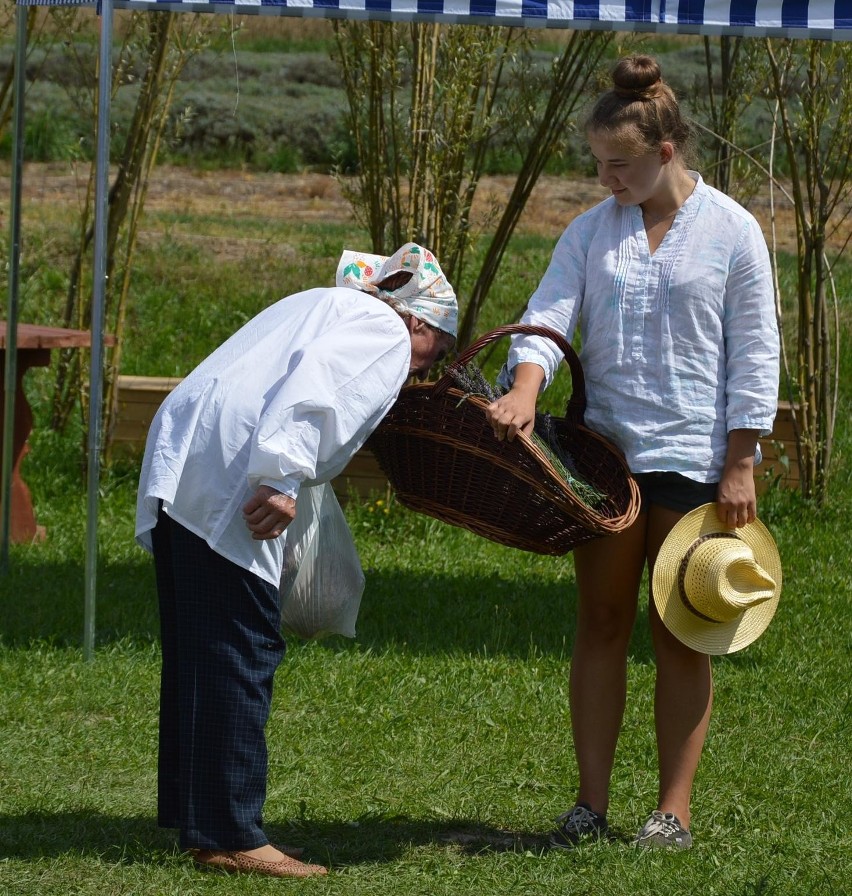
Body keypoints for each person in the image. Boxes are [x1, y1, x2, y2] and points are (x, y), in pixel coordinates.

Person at [485, 55, 779, 850]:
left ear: (666, 152)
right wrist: (524, 387)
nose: (607, 178)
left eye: (621, 164)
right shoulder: (590, 231)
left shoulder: (733, 230)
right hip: (606, 456)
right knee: (603, 618)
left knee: (681, 626)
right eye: (599, 164)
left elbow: (755, 348)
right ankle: (588, 804)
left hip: (694, 455)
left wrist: (742, 456)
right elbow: (548, 312)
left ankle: (672, 811)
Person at [135, 243, 457, 878]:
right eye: (436, 351)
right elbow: (314, 390)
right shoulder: (383, 331)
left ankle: (194, 813)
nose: (424, 368)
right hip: (236, 474)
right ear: (418, 319)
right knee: (240, 649)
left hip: (188, 462)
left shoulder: (321, 304)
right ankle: (231, 833)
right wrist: (281, 478)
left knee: (199, 648)